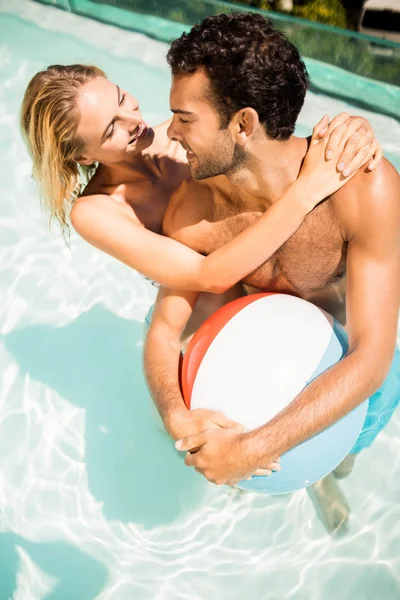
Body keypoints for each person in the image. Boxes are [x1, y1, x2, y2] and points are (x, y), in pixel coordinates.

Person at [143, 13, 400, 535]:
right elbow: (166, 332)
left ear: (243, 123)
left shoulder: (360, 189)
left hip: (353, 366)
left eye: (184, 117)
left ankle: (327, 475)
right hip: (262, 363)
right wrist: (176, 415)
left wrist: (254, 450)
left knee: (344, 454)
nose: (169, 132)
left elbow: (371, 356)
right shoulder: (193, 215)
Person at [21, 64, 379, 299]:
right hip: (203, 301)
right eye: (111, 128)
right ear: (83, 157)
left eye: (120, 98)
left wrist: (349, 137)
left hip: (273, 273)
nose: (132, 118)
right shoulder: (96, 211)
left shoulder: (188, 138)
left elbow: (274, 151)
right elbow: (208, 276)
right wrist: (305, 193)